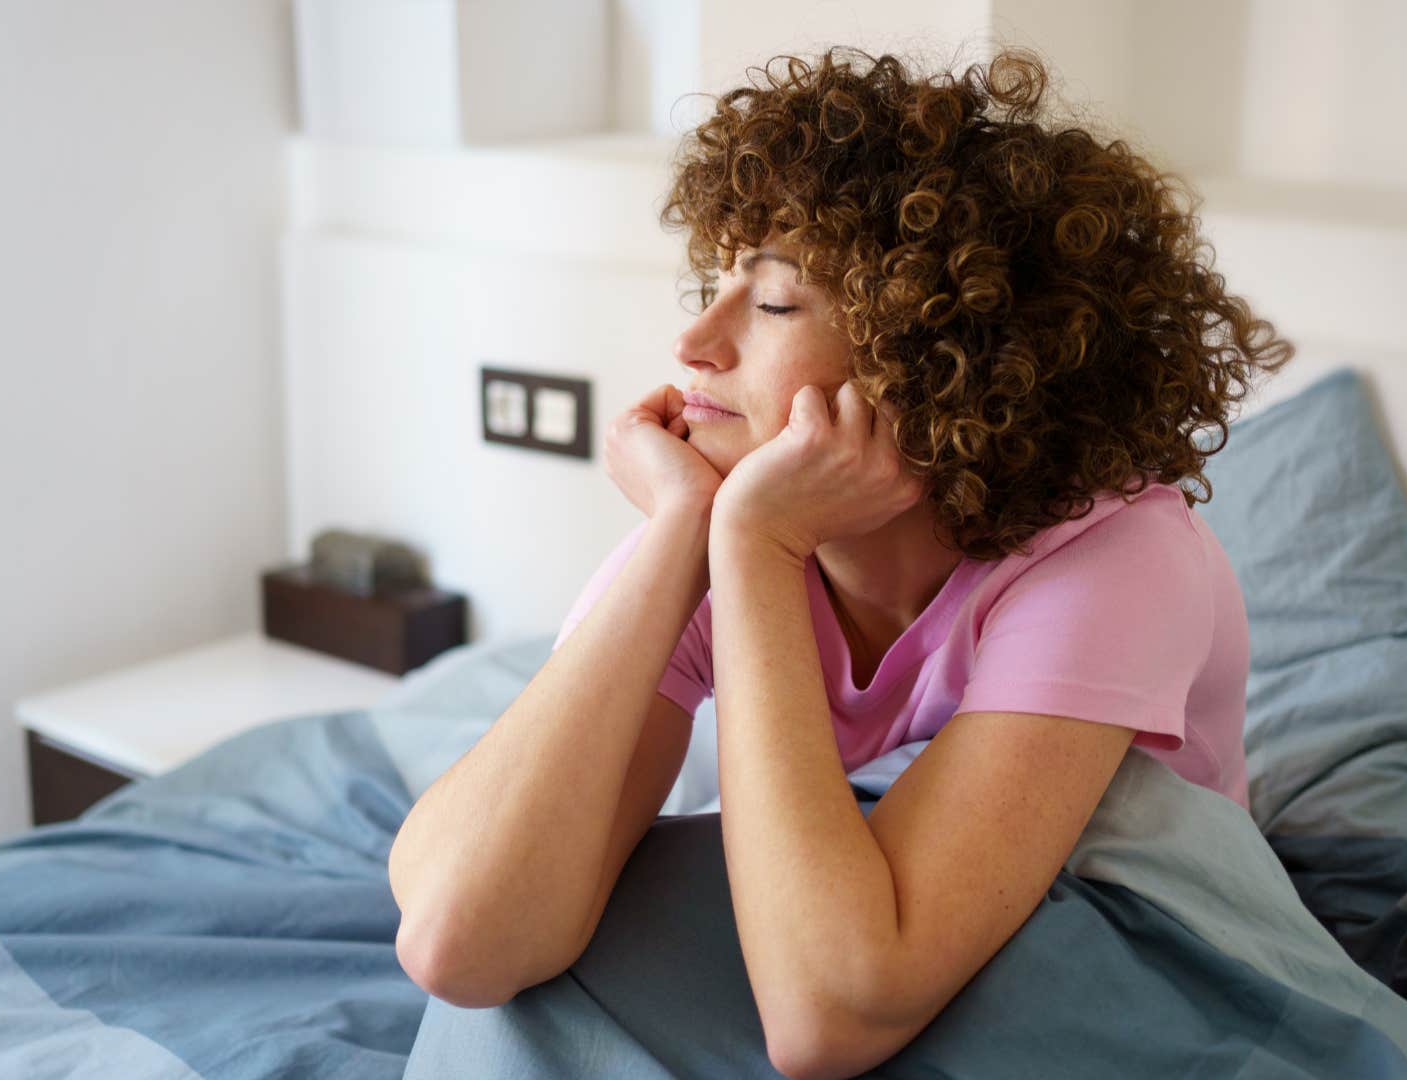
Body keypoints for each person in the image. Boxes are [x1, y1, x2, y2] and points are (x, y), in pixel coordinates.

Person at [388, 43, 1294, 1077]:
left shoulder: (1117, 559)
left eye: (772, 304)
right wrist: (686, 530)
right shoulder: (727, 514)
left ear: (941, 349)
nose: (695, 342)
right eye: (711, 281)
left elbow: (829, 1018)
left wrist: (758, 548)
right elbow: (455, 937)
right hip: (856, 917)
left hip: (1137, 936)